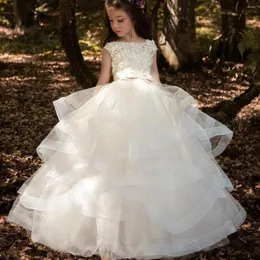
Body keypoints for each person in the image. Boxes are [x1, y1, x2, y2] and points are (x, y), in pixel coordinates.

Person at [7, 0, 246, 259]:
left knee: (152, 166)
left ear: (133, 16)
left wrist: (167, 106)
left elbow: (155, 78)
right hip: (116, 103)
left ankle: (150, 235)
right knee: (111, 167)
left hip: (149, 104)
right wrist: (90, 111)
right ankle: (110, 234)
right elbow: (103, 80)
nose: (115, 25)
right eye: (111, 21)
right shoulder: (110, 47)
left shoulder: (150, 46)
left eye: (120, 19)